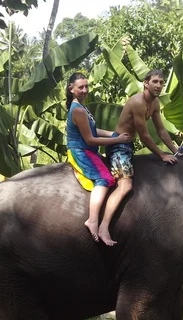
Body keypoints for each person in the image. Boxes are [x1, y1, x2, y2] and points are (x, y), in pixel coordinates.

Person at [98, 69, 181, 246]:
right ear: (146, 83)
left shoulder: (156, 103)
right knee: (125, 186)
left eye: (161, 82)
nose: (159, 85)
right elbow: (144, 135)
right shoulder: (137, 102)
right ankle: (103, 227)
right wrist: (162, 155)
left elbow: (161, 130)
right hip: (118, 145)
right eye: (155, 82)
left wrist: (175, 151)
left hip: (128, 145)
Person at [66, 72, 133, 242]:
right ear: (71, 89)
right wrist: (117, 140)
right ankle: (93, 220)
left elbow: (93, 131)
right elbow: (89, 139)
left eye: (86, 86)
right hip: (80, 151)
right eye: (80, 87)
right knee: (104, 179)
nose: (84, 90)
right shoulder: (78, 110)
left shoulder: (82, 107)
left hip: (88, 149)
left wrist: (113, 134)